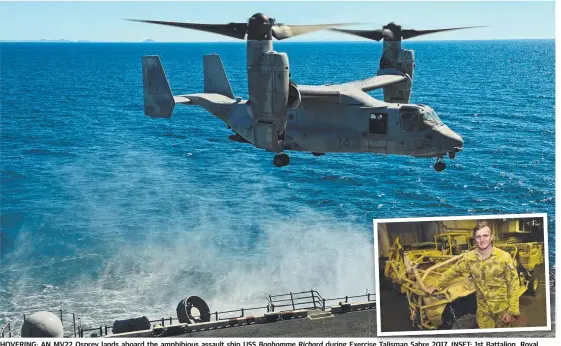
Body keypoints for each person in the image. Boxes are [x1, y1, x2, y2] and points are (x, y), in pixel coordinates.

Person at [426, 222, 520, 328]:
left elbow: (513, 284)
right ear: (475, 239)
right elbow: (453, 271)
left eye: (485, 235)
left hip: (502, 309)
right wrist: (437, 285)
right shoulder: (469, 258)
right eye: (478, 236)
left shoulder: (504, 257)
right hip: (483, 310)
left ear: (492, 237)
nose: (482, 239)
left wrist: (512, 311)